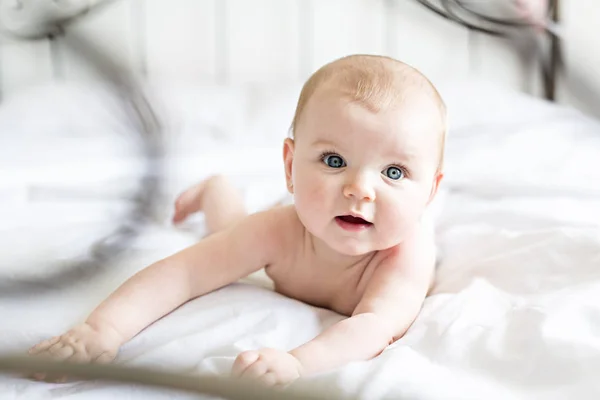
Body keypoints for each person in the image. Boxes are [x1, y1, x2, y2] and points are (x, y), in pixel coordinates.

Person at [29, 54, 446, 388]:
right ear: (290, 165)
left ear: (429, 192)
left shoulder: (403, 255)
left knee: (233, 233)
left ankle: (216, 189)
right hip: (272, 236)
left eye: (394, 172)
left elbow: (372, 328)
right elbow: (185, 272)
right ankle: (216, 190)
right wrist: (102, 331)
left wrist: (296, 364)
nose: (359, 189)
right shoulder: (281, 229)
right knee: (231, 234)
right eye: (334, 161)